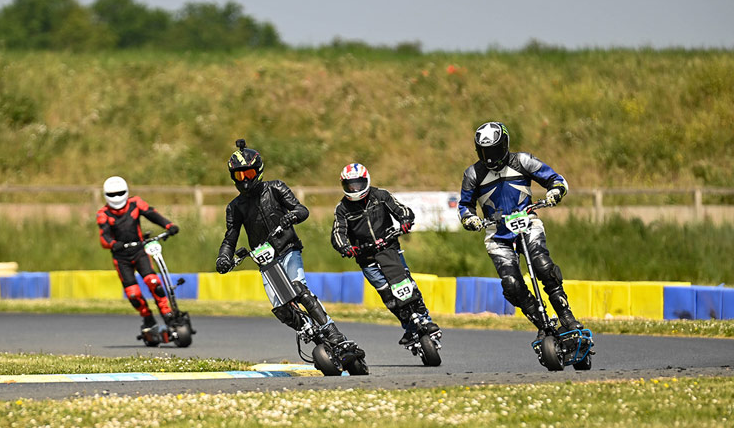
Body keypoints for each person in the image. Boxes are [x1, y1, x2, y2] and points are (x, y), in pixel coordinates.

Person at [215, 139, 362, 363]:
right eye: (239, 176)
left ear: (259, 171)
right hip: (264, 260)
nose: (244, 180)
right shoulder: (235, 207)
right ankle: (309, 332)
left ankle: (333, 333)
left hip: (288, 249)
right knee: (280, 308)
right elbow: (230, 237)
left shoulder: (276, 188)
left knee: (298, 288)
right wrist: (224, 257)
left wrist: (291, 216)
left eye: (248, 174)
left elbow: (302, 210)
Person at [458, 121, 582, 337]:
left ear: (505, 144)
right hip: (497, 235)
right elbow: (465, 206)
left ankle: (566, 316)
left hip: (528, 223)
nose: (489, 157)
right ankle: (544, 326)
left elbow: (556, 180)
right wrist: (470, 219)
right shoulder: (472, 174)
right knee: (512, 284)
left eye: (494, 150)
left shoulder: (523, 161)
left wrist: (554, 192)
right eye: (484, 151)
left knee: (543, 266)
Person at [331, 163, 441, 346]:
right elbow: (337, 233)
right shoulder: (342, 208)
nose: (355, 189)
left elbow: (402, 210)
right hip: (366, 257)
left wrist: (405, 220)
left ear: (366, 181)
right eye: (350, 185)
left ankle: (425, 319)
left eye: (358, 184)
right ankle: (408, 327)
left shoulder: (381, 196)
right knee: (388, 297)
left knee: (406, 285)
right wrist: (345, 247)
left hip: (389, 248)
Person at [96, 175, 180, 334]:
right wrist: (114, 244)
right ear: (106, 196)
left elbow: (152, 214)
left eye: (119, 193)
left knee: (153, 282)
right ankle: (148, 318)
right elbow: (104, 238)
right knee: (133, 294)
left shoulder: (135, 203)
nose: (116, 197)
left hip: (140, 251)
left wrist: (169, 225)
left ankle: (167, 314)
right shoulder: (103, 213)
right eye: (112, 195)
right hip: (121, 257)